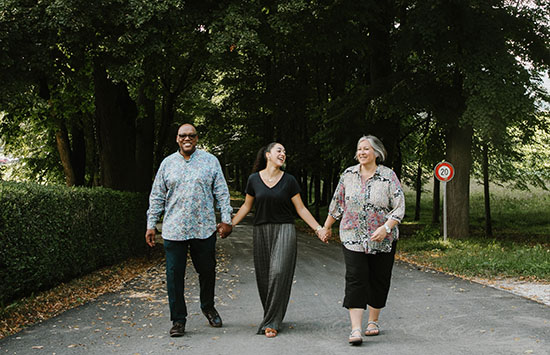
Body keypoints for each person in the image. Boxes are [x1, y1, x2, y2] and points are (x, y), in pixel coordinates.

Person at [221, 142, 329, 338]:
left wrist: (319, 229)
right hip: (261, 230)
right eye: (279, 150)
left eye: (285, 152)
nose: (283, 154)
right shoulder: (254, 179)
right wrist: (230, 225)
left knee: (279, 271)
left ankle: (271, 322)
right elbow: (246, 207)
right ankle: (273, 316)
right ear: (268, 155)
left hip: (285, 229)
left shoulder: (289, 181)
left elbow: (301, 209)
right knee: (264, 277)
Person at [145, 123, 233, 337]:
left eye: (191, 136)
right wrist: (151, 224)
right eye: (183, 136)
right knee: (174, 275)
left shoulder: (210, 162)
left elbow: (222, 193)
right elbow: (157, 196)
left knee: (207, 271)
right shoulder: (167, 164)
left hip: (203, 228)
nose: (187, 139)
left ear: (196, 138)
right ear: (177, 139)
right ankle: (178, 320)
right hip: (174, 230)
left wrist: (227, 220)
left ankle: (208, 307)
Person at [322, 135, 405, 346]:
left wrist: (386, 228)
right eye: (359, 149)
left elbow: (399, 207)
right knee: (356, 277)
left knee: (379, 278)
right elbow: (338, 204)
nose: (361, 152)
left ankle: (373, 321)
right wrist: (327, 226)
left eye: (366, 149)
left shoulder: (388, 176)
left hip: (383, 239)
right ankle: (356, 328)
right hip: (352, 236)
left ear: (376, 153)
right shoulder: (348, 175)